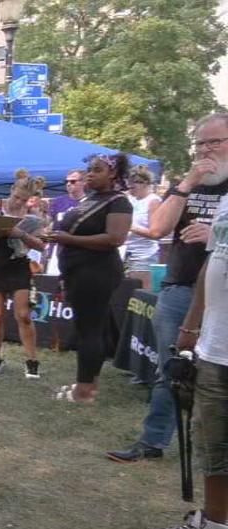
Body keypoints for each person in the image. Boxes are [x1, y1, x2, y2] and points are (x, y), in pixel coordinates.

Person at [106, 113, 228, 460]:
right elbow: (157, 228)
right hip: (179, 288)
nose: (206, 150)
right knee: (170, 369)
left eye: (215, 142)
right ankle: (153, 441)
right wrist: (188, 181)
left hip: (222, 293)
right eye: (200, 143)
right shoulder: (189, 184)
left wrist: (216, 235)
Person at [146, 213, 228, 529]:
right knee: (213, 440)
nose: (204, 154)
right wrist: (191, 328)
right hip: (216, 345)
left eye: (213, 152)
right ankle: (215, 526)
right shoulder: (224, 201)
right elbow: (212, 264)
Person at [43, 154, 132, 403]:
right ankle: (88, 384)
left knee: (89, 332)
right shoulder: (92, 199)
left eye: (97, 170)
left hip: (96, 273)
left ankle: (83, 393)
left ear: (113, 174)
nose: (89, 174)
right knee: (93, 329)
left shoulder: (118, 202)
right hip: (78, 271)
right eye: (89, 170)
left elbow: (115, 239)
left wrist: (67, 239)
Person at [0, 170, 47, 379]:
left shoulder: (33, 217)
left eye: (24, 200)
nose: (19, 202)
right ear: (11, 190)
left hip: (18, 265)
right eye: (17, 197)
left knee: (24, 315)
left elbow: (41, 245)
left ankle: (32, 360)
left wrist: (22, 234)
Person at [124, 166, 162, 289]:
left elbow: (155, 233)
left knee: (138, 295)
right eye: (128, 182)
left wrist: (130, 227)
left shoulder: (153, 201)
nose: (130, 187)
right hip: (123, 254)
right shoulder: (128, 198)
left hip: (143, 257)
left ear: (145, 183)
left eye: (133, 183)